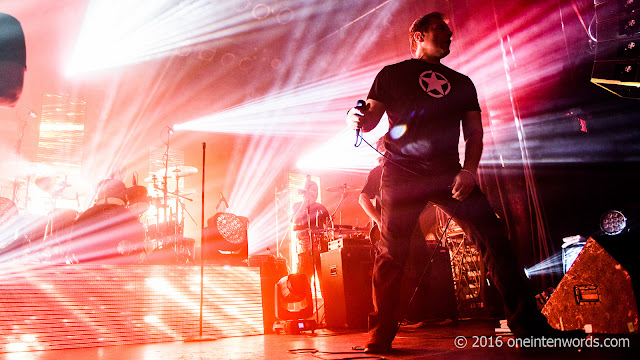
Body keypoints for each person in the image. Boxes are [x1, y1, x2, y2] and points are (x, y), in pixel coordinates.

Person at [346, 12, 577, 353]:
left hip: (448, 173)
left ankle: (529, 329)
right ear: (418, 35)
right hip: (401, 174)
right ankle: (381, 333)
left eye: (449, 30)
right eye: (441, 28)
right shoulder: (391, 75)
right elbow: (371, 120)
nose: (449, 34)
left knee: (495, 241)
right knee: (391, 253)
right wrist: (357, 118)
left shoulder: (462, 82)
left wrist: (469, 170)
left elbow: (474, 133)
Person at [290, 175, 329, 284]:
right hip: (305, 250)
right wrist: (304, 203)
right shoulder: (297, 206)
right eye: (313, 191)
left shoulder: (321, 208)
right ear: (306, 192)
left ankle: (327, 301)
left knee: (325, 281)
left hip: (321, 249)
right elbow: (295, 221)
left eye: (316, 191)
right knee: (304, 282)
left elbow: (329, 228)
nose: (315, 194)